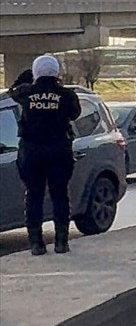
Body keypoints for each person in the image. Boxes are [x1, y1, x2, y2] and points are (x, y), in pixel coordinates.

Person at [8, 55, 81, 255]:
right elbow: (75, 113)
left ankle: (37, 244)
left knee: (33, 195)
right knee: (60, 195)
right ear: (56, 71)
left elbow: (11, 91)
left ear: (36, 71)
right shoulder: (66, 95)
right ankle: (61, 242)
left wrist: (28, 76)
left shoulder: (26, 92)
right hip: (59, 149)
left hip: (32, 151)